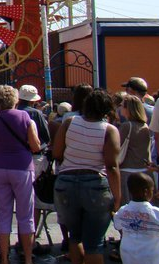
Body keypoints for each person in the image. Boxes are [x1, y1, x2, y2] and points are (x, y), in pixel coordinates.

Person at [52, 88, 120, 264]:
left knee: (75, 237)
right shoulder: (109, 130)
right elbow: (112, 165)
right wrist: (117, 197)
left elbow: (57, 152)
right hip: (95, 183)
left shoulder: (69, 123)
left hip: (66, 182)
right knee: (94, 243)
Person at [0, 85, 40, 264]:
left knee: (3, 213)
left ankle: (5, 257)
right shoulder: (25, 117)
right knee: (25, 215)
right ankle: (28, 257)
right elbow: (35, 145)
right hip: (22, 167)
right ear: (14, 100)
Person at [112, 172, 159, 264]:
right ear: (146, 192)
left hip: (127, 253)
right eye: (152, 190)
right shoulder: (155, 212)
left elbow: (117, 225)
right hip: (151, 256)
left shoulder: (123, 211)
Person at [118, 95, 152, 204]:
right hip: (144, 171)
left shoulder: (126, 126)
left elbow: (117, 147)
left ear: (128, 109)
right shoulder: (145, 126)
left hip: (127, 171)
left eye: (122, 105)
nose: (120, 108)